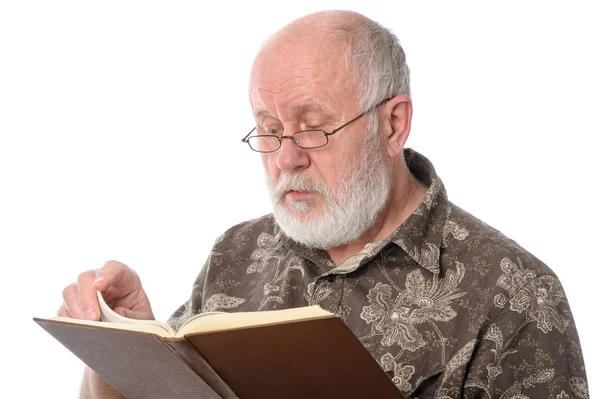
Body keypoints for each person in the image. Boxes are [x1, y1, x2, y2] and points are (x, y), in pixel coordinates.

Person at [58, 10, 588, 399]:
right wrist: (120, 343)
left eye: (313, 129)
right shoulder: (237, 253)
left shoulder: (516, 292)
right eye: (268, 129)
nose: (285, 158)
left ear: (393, 124)